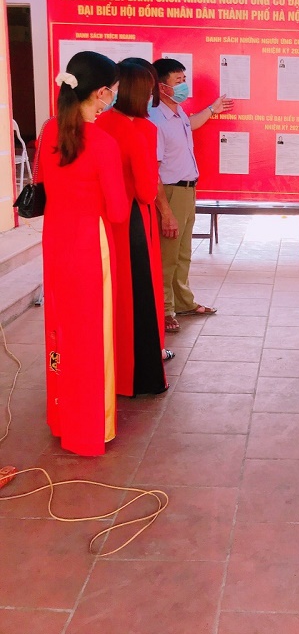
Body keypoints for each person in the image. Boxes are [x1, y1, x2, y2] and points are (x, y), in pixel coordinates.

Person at [38, 51, 128, 456]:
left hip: (56, 240)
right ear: (102, 92)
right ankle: (90, 427)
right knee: (92, 337)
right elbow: (118, 211)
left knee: (61, 329)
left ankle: (62, 418)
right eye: (114, 90)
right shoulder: (103, 143)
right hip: (91, 246)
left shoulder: (48, 132)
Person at [96, 60, 170, 397]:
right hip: (134, 221)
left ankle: (110, 368)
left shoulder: (97, 123)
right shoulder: (143, 129)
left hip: (101, 221)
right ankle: (141, 373)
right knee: (139, 294)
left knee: (110, 296)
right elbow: (145, 189)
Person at [149, 58, 233, 333]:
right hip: (170, 192)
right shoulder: (155, 119)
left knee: (183, 253)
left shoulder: (178, 113)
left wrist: (212, 109)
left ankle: (183, 302)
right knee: (167, 255)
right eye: (178, 81)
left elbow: (191, 123)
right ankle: (164, 310)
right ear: (161, 87)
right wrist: (165, 211)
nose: (184, 86)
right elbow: (153, 170)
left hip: (187, 191)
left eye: (184, 80)